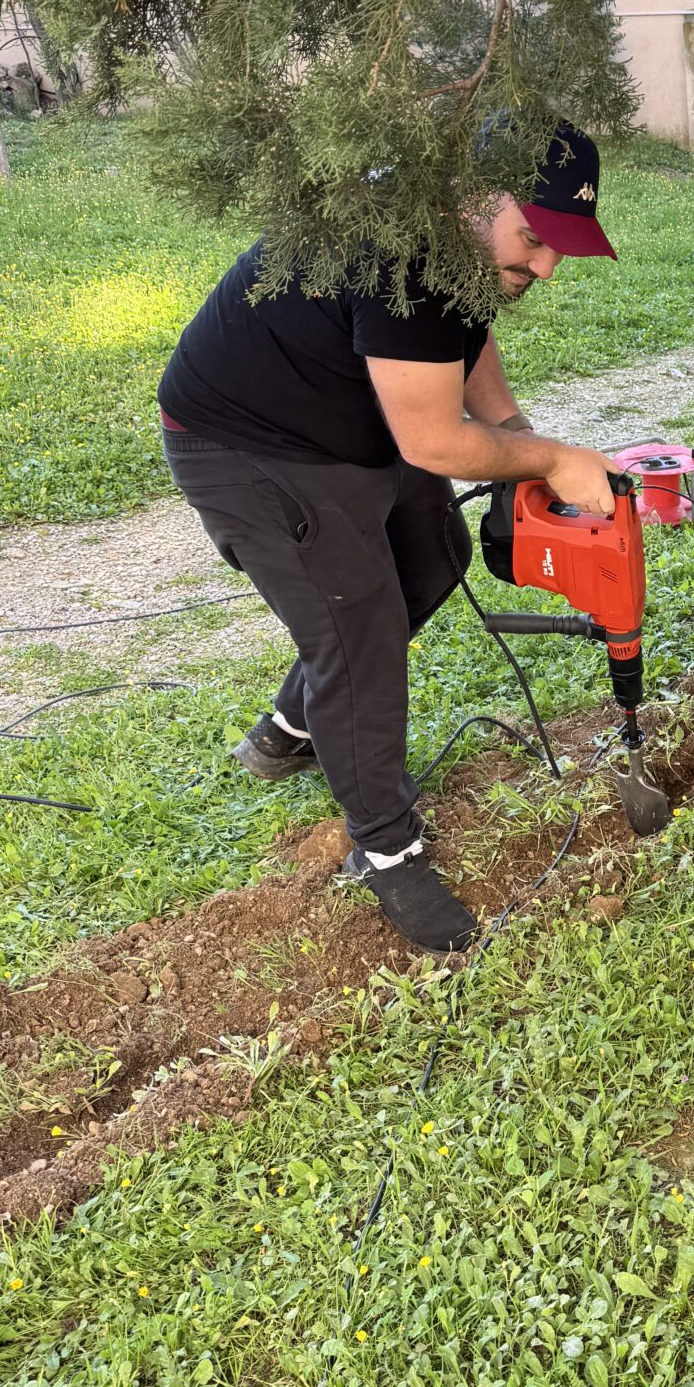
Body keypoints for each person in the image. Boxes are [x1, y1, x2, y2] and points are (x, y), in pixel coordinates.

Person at [157, 124, 621, 953]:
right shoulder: (397, 249)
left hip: (343, 421)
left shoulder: (455, 238)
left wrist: (514, 431)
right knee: (358, 631)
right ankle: (386, 847)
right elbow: (434, 442)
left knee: (434, 553)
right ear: (479, 197)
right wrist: (550, 457)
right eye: (534, 240)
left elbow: (457, 335)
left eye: (562, 247)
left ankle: (289, 732)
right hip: (248, 445)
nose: (546, 268)